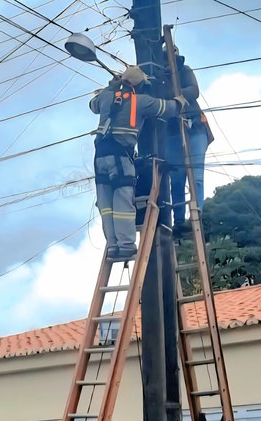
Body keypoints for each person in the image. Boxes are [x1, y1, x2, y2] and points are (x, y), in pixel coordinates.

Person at [90, 66, 185, 262]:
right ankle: (126, 245)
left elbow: (92, 105)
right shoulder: (141, 102)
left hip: (100, 157)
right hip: (122, 157)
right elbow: (167, 109)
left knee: (106, 204)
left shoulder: (107, 97)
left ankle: (113, 245)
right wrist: (181, 101)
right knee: (123, 200)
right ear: (140, 84)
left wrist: (111, 87)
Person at [163, 45, 215, 237]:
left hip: (195, 128)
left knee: (196, 174)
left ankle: (197, 212)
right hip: (172, 132)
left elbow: (193, 90)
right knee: (176, 178)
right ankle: (178, 219)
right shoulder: (158, 77)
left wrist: (175, 95)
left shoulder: (184, 70)